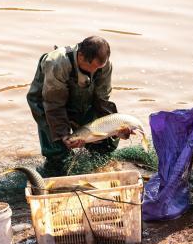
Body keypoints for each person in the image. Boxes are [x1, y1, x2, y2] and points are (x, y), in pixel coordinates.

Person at [26, 36, 130, 176]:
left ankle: (94, 171)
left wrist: (115, 130)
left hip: (82, 100)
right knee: (58, 151)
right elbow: (54, 105)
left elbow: (102, 100)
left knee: (105, 144)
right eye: (91, 67)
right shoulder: (57, 63)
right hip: (47, 104)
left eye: (98, 68)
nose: (94, 72)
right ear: (80, 56)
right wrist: (64, 136)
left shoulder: (104, 66)